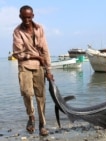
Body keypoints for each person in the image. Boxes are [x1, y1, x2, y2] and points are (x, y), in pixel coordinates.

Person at [12, 5, 54, 136]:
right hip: (24, 65)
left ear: (33, 16)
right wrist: (34, 56)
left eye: (29, 17)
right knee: (26, 93)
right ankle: (31, 117)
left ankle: (42, 124)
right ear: (20, 17)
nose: (26, 20)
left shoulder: (39, 28)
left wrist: (49, 70)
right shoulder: (17, 31)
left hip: (39, 66)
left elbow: (45, 50)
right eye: (24, 18)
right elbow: (17, 53)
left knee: (41, 96)